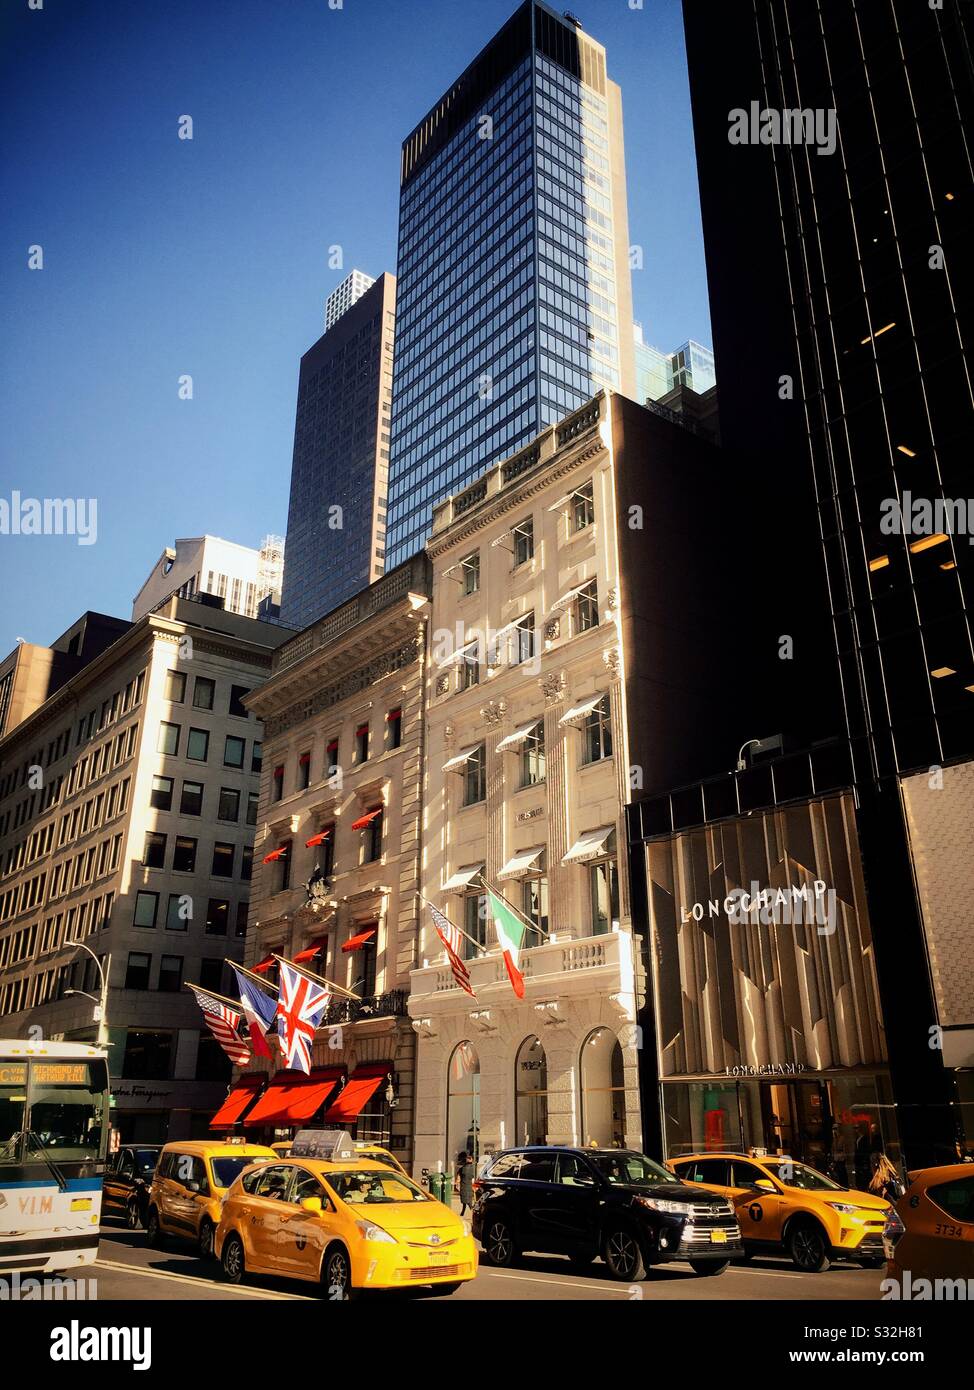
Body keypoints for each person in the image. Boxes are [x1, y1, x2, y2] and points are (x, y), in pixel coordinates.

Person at [455, 1152, 475, 1217]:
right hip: (469, 1185)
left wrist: (457, 1184)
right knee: (469, 1201)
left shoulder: (462, 1168)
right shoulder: (472, 1168)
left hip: (464, 1185)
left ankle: (464, 1212)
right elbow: (473, 1177)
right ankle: (466, 1212)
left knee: (465, 1201)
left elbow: (458, 1176)